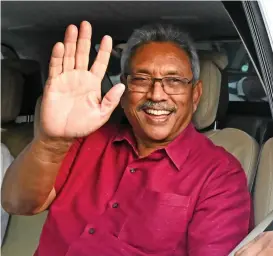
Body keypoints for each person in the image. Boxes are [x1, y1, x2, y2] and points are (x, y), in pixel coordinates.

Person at [1, 21, 252, 256]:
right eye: (141, 80)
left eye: (173, 81)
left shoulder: (220, 174)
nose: (157, 94)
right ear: (123, 90)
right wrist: (51, 141)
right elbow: (18, 204)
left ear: (195, 94)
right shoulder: (84, 137)